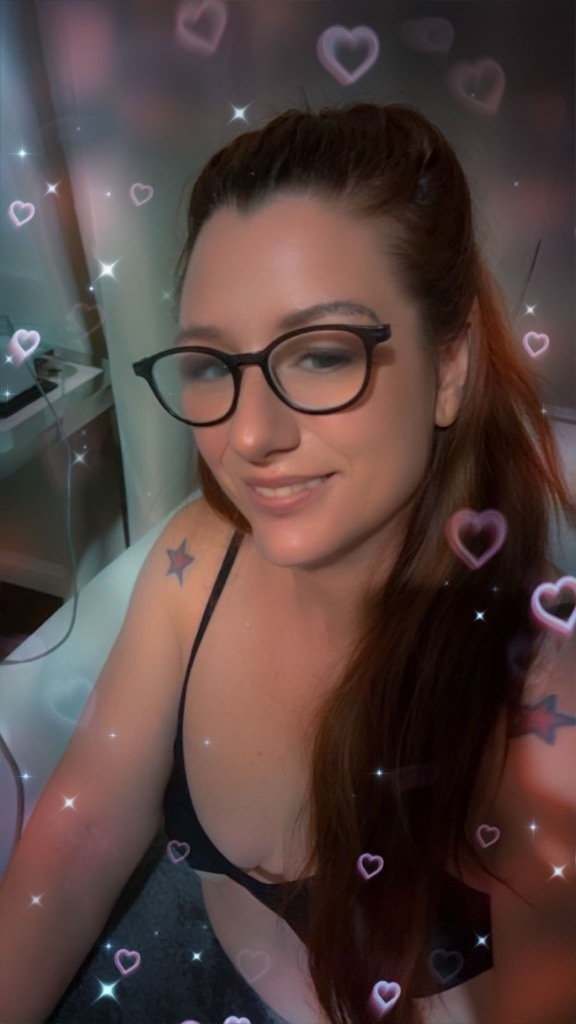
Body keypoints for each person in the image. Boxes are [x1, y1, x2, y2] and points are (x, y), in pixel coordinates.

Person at [0, 103, 574, 1024]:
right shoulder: (196, 561)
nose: (250, 435)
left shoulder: (536, 712)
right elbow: (82, 835)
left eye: (321, 355)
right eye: (211, 364)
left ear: (450, 366)